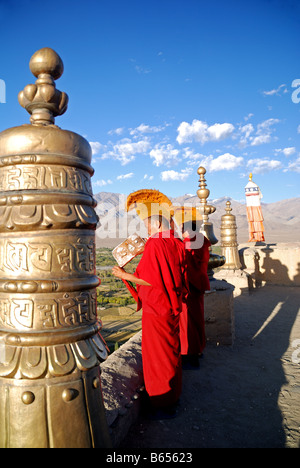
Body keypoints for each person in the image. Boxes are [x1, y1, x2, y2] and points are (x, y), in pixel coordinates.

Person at [112, 190, 188, 419]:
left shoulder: (156, 244)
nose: (145, 228)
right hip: (171, 305)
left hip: (156, 308)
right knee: (171, 351)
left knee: (157, 354)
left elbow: (151, 280)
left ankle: (161, 402)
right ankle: (173, 396)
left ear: (155, 222)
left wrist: (123, 275)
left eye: (146, 223)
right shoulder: (175, 241)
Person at [173, 207, 211, 369]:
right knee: (197, 319)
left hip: (190, 285)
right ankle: (199, 349)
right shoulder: (201, 239)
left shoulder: (190, 243)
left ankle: (190, 354)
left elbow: (184, 263)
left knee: (187, 321)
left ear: (186, 227)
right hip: (198, 283)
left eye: (181, 226)